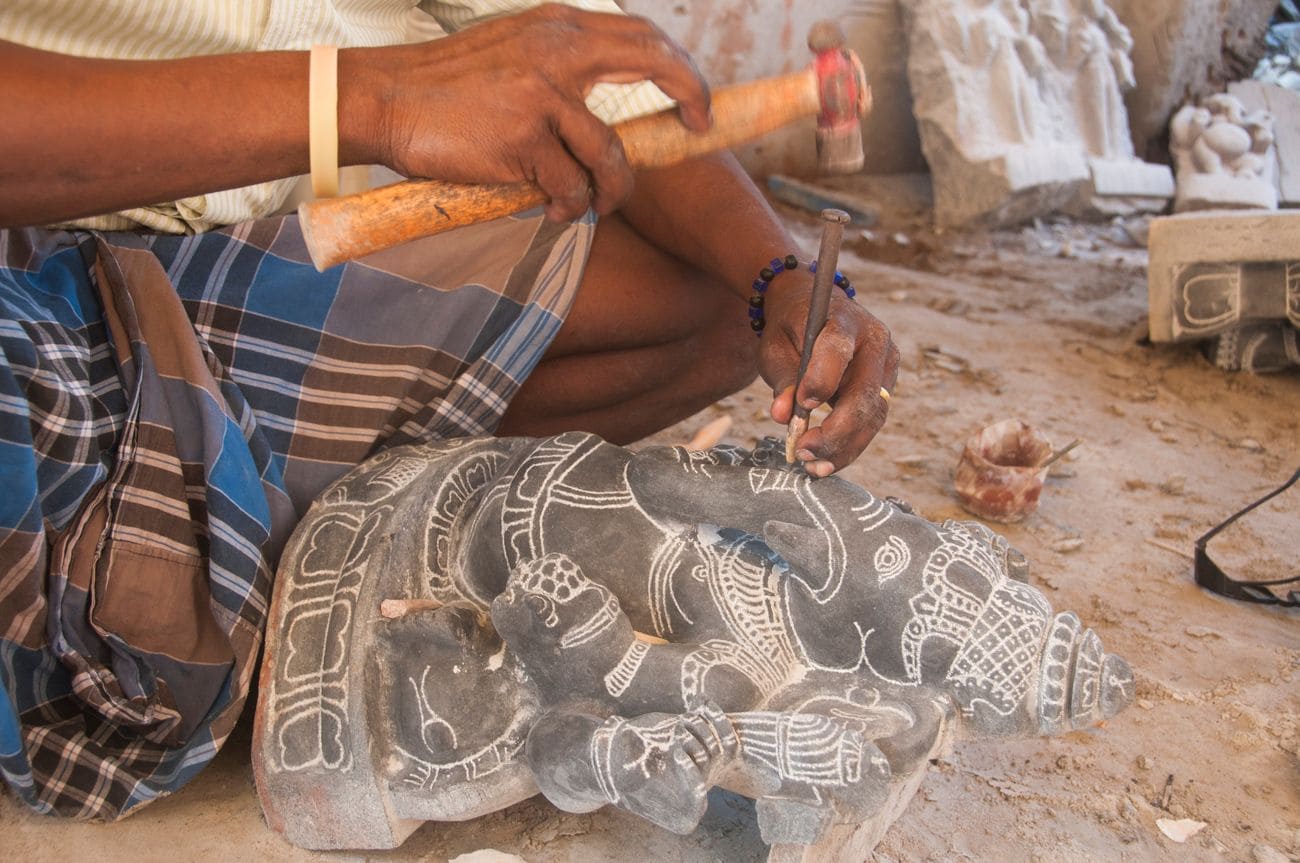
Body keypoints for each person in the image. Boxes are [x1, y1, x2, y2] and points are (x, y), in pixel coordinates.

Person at [0, 0, 899, 821]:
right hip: (60, 253)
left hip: (321, 233)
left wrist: (784, 277)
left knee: (720, 302)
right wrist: (370, 98)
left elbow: (594, 93)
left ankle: (306, 521)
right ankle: (286, 529)